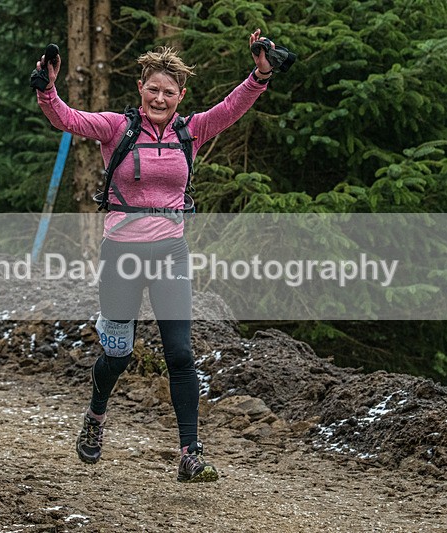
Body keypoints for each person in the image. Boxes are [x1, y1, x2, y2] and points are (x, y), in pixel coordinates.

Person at [35, 29, 275, 482]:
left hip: (171, 252)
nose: (160, 98)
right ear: (140, 90)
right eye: (153, 90)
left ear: (180, 96)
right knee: (118, 355)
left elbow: (232, 107)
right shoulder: (116, 128)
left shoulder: (192, 131)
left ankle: (190, 454)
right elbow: (67, 119)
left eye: (169, 92)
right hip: (121, 255)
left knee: (180, 354)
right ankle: (96, 416)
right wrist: (48, 89)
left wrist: (260, 73)